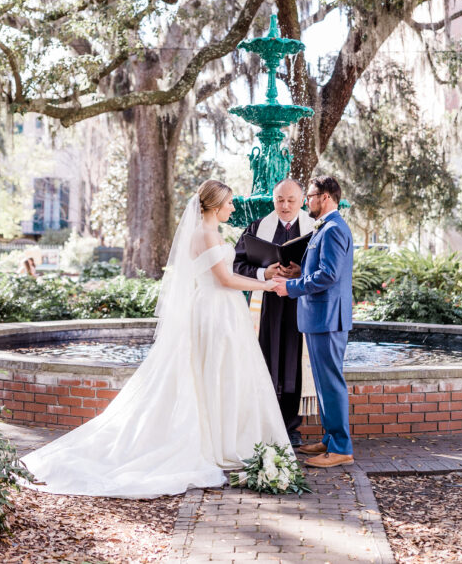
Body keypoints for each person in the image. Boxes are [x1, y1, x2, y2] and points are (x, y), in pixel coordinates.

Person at [20, 180, 292, 498]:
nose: (233, 208)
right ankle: (213, 443)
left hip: (221, 309)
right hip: (213, 311)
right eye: (229, 203)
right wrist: (269, 286)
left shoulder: (211, 233)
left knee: (220, 374)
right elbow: (226, 279)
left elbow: (224, 272)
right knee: (214, 372)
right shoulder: (205, 234)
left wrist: (264, 273)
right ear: (216, 205)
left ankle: (221, 439)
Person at [275, 175, 355, 468]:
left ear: (327, 197)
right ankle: (331, 440)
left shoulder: (332, 229)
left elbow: (329, 276)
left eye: (310, 196)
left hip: (327, 318)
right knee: (323, 383)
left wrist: (292, 288)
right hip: (319, 317)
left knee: (331, 383)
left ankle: (341, 449)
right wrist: (298, 273)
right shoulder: (327, 227)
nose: (307, 201)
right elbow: (321, 271)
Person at [233, 178, 315, 447]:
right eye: (280, 199)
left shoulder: (314, 229)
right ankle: (266, 424)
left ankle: (291, 427)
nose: (285, 205)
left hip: (299, 304)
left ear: (302, 200)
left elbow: (327, 268)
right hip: (267, 306)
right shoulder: (258, 228)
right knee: (267, 361)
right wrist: (262, 272)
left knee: (294, 363)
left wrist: (302, 272)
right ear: (273, 199)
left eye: (291, 200)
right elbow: (235, 264)